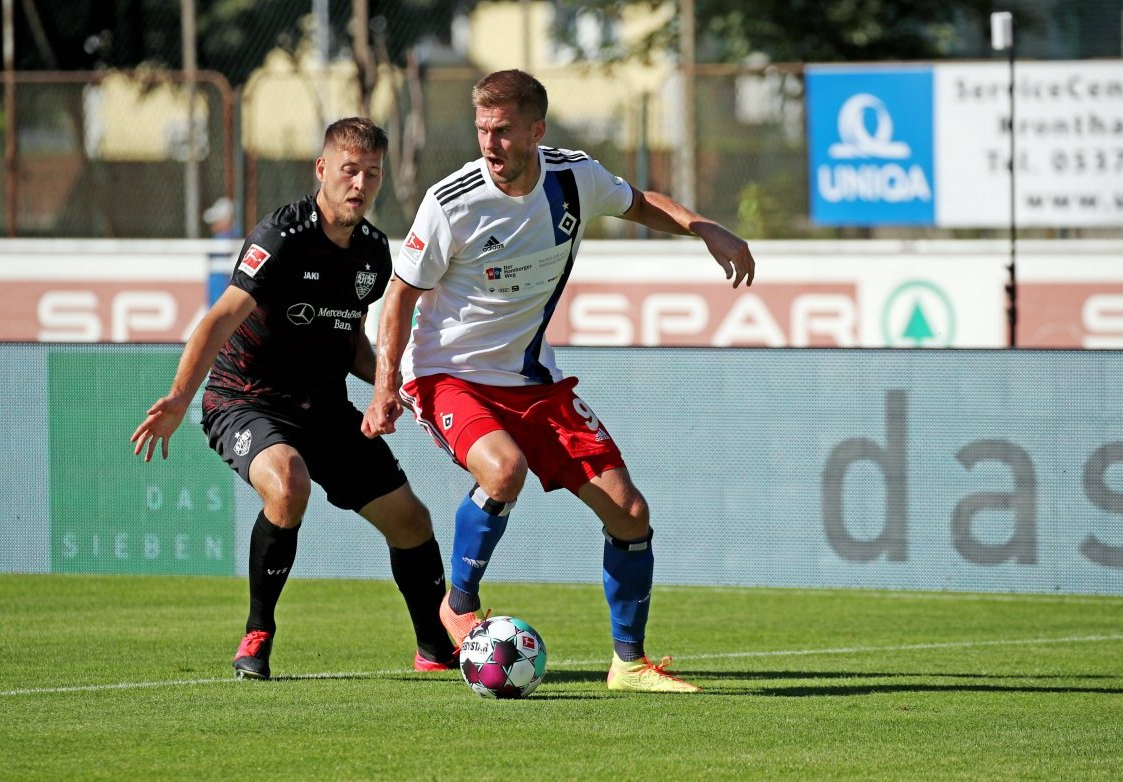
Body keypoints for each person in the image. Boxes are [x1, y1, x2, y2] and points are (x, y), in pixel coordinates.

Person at [361, 70, 756, 694]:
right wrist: (386, 387)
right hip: (446, 374)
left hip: (532, 379)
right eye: (482, 130)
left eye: (504, 130)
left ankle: (628, 664)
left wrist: (701, 225)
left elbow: (636, 201)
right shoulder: (451, 202)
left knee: (629, 513)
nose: (491, 143)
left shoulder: (574, 177)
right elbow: (400, 295)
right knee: (503, 469)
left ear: (536, 130)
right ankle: (457, 603)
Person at [131, 117, 457, 680]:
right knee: (288, 483)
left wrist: (392, 387)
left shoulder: (375, 253)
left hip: (324, 408)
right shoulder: (280, 237)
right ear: (323, 170)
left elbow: (352, 342)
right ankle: (258, 632)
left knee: (411, 522)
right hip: (245, 399)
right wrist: (180, 397)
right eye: (349, 171)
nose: (360, 184)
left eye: (372, 174)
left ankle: (435, 648)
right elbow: (216, 321)